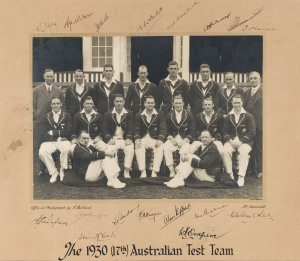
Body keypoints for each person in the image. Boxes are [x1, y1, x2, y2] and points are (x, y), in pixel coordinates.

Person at [223, 94, 256, 187]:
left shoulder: (249, 116)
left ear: (242, 103)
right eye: (234, 103)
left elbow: (252, 132)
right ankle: (230, 175)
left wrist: (241, 141)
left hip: (245, 142)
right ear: (232, 103)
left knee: (244, 152)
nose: (236, 105)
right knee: (225, 151)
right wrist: (230, 141)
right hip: (231, 142)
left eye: (238, 103)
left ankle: (241, 176)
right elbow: (224, 132)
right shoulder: (228, 116)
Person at [38, 97, 72, 183]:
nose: (56, 105)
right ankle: (54, 172)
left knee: (67, 149)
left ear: (61, 104)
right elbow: (42, 134)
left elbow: (68, 132)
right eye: (54, 103)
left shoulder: (67, 115)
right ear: (51, 105)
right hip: (49, 141)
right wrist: (59, 136)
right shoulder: (45, 117)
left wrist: (53, 132)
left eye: (57, 103)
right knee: (42, 152)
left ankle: (62, 170)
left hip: (63, 141)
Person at [102, 95, 135, 178]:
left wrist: (129, 138)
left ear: (124, 102)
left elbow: (131, 128)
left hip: (124, 139)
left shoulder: (129, 113)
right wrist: (109, 138)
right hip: (113, 139)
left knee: (130, 149)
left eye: (121, 101)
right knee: (111, 150)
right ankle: (115, 171)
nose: (119, 103)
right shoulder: (108, 114)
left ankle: (126, 170)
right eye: (117, 101)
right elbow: (104, 129)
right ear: (114, 102)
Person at [33, 69, 65, 153]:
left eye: (51, 76)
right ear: (44, 76)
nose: (49, 78)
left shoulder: (58, 91)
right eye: (47, 76)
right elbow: (32, 105)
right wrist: (36, 115)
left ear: (54, 77)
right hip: (40, 120)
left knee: (52, 142)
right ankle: (38, 164)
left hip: (54, 121)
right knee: (38, 143)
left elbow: (63, 105)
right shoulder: (36, 90)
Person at [134, 96, 167, 178]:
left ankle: (155, 171)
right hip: (143, 138)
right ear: (144, 104)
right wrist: (137, 140)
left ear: (155, 104)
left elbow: (163, 129)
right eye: (148, 103)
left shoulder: (159, 114)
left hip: (154, 138)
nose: (150, 104)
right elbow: (137, 130)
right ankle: (143, 171)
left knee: (160, 147)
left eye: (152, 103)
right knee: (138, 147)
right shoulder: (139, 115)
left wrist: (160, 140)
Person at [163, 95, 196, 177]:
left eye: (179, 103)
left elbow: (192, 131)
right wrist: (171, 138)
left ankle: (181, 172)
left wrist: (185, 140)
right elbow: (166, 130)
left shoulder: (189, 114)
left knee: (185, 150)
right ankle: (171, 170)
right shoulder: (169, 115)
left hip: (184, 139)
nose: (178, 105)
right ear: (173, 104)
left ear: (183, 104)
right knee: (166, 147)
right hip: (173, 139)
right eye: (176, 103)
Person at [243, 71, 262, 178]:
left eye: (255, 78)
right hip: (249, 125)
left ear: (260, 79)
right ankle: (250, 170)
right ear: (249, 80)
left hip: (260, 124)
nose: (253, 80)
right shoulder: (246, 93)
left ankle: (260, 170)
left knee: (259, 147)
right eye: (251, 78)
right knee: (249, 146)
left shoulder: (264, 91)